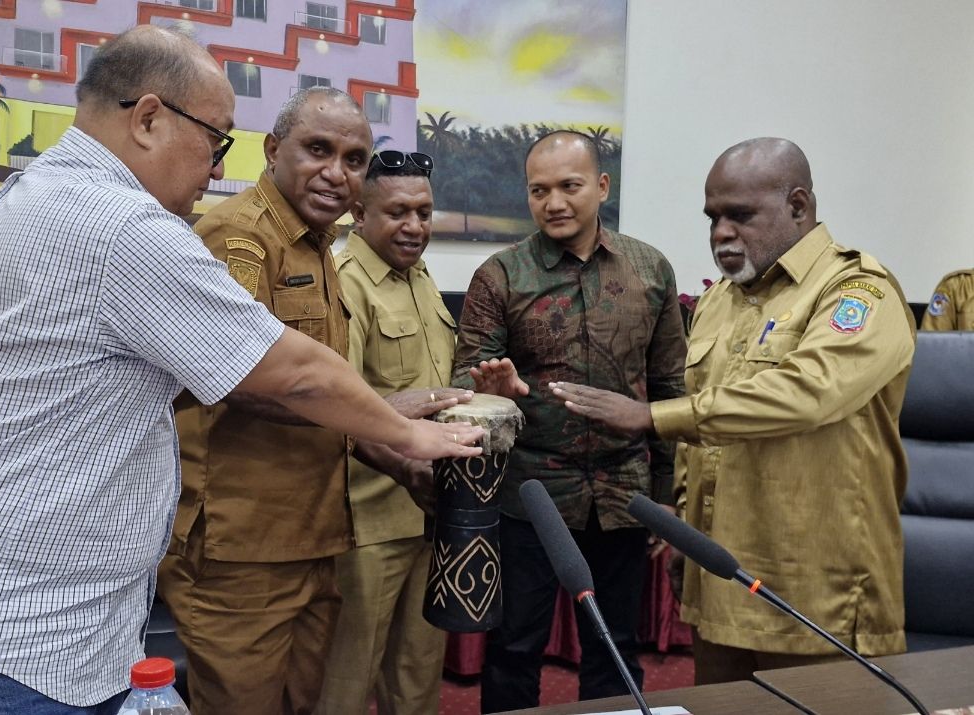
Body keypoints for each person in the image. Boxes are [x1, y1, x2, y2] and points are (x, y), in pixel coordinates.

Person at [0, 28, 481, 713]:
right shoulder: (123, 225)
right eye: (216, 141)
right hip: (0, 651)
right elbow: (287, 370)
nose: (214, 169)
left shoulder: (20, 199)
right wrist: (414, 438)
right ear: (149, 118)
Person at [156, 89, 467, 714]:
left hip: (317, 537)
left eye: (354, 159)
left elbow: (322, 414)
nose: (336, 173)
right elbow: (247, 380)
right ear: (273, 151)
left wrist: (397, 463)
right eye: (318, 150)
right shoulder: (237, 237)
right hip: (240, 550)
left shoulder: (318, 247)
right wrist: (394, 419)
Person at [563, 138, 916, 684]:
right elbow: (703, 443)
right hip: (723, 581)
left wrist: (652, 416)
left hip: (817, 597)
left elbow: (808, 391)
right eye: (713, 217)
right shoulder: (719, 302)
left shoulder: (857, 291)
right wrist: (684, 535)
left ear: (799, 206)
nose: (721, 233)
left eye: (740, 215)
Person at [452, 130, 687, 712]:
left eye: (569, 186)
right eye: (539, 190)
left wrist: (665, 493)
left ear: (602, 187)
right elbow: (461, 383)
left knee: (614, 646)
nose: (553, 202)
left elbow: (668, 390)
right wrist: (492, 391)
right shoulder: (500, 275)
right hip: (528, 495)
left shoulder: (650, 270)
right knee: (515, 647)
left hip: (622, 494)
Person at [316, 150, 461, 715]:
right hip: (369, 519)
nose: (415, 227)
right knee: (349, 679)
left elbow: (434, 390)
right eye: (399, 212)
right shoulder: (345, 284)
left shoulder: (420, 278)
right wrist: (402, 458)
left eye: (424, 212)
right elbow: (337, 405)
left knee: (419, 677)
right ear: (359, 211)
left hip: (431, 510)